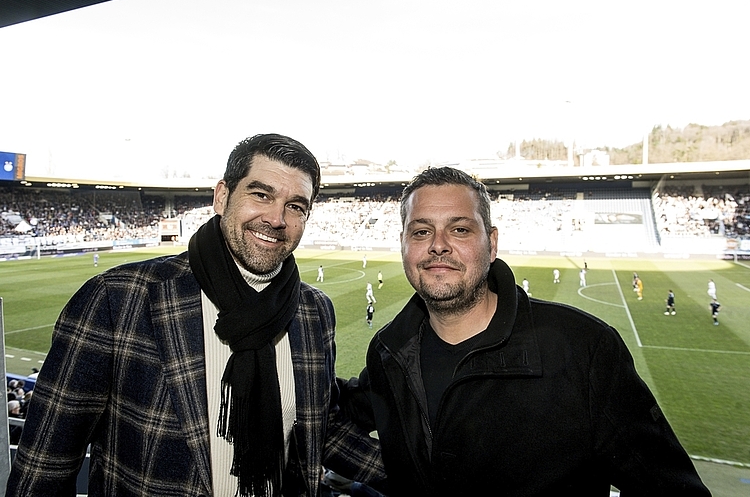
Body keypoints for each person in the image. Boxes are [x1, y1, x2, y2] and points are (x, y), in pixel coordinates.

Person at [6, 134, 385, 497]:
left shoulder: (313, 311)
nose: (276, 218)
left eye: (296, 206)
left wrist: (427, 478)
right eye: (260, 194)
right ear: (222, 196)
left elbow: (318, 426)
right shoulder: (118, 299)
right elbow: (46, 464)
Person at [342, 167, 709, 496]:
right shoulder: (388, 353)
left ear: (492, 244)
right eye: (421, 231)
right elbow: (328, 408)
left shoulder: (582, 349)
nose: (439, 244)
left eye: (459, 229)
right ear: (404, 245)